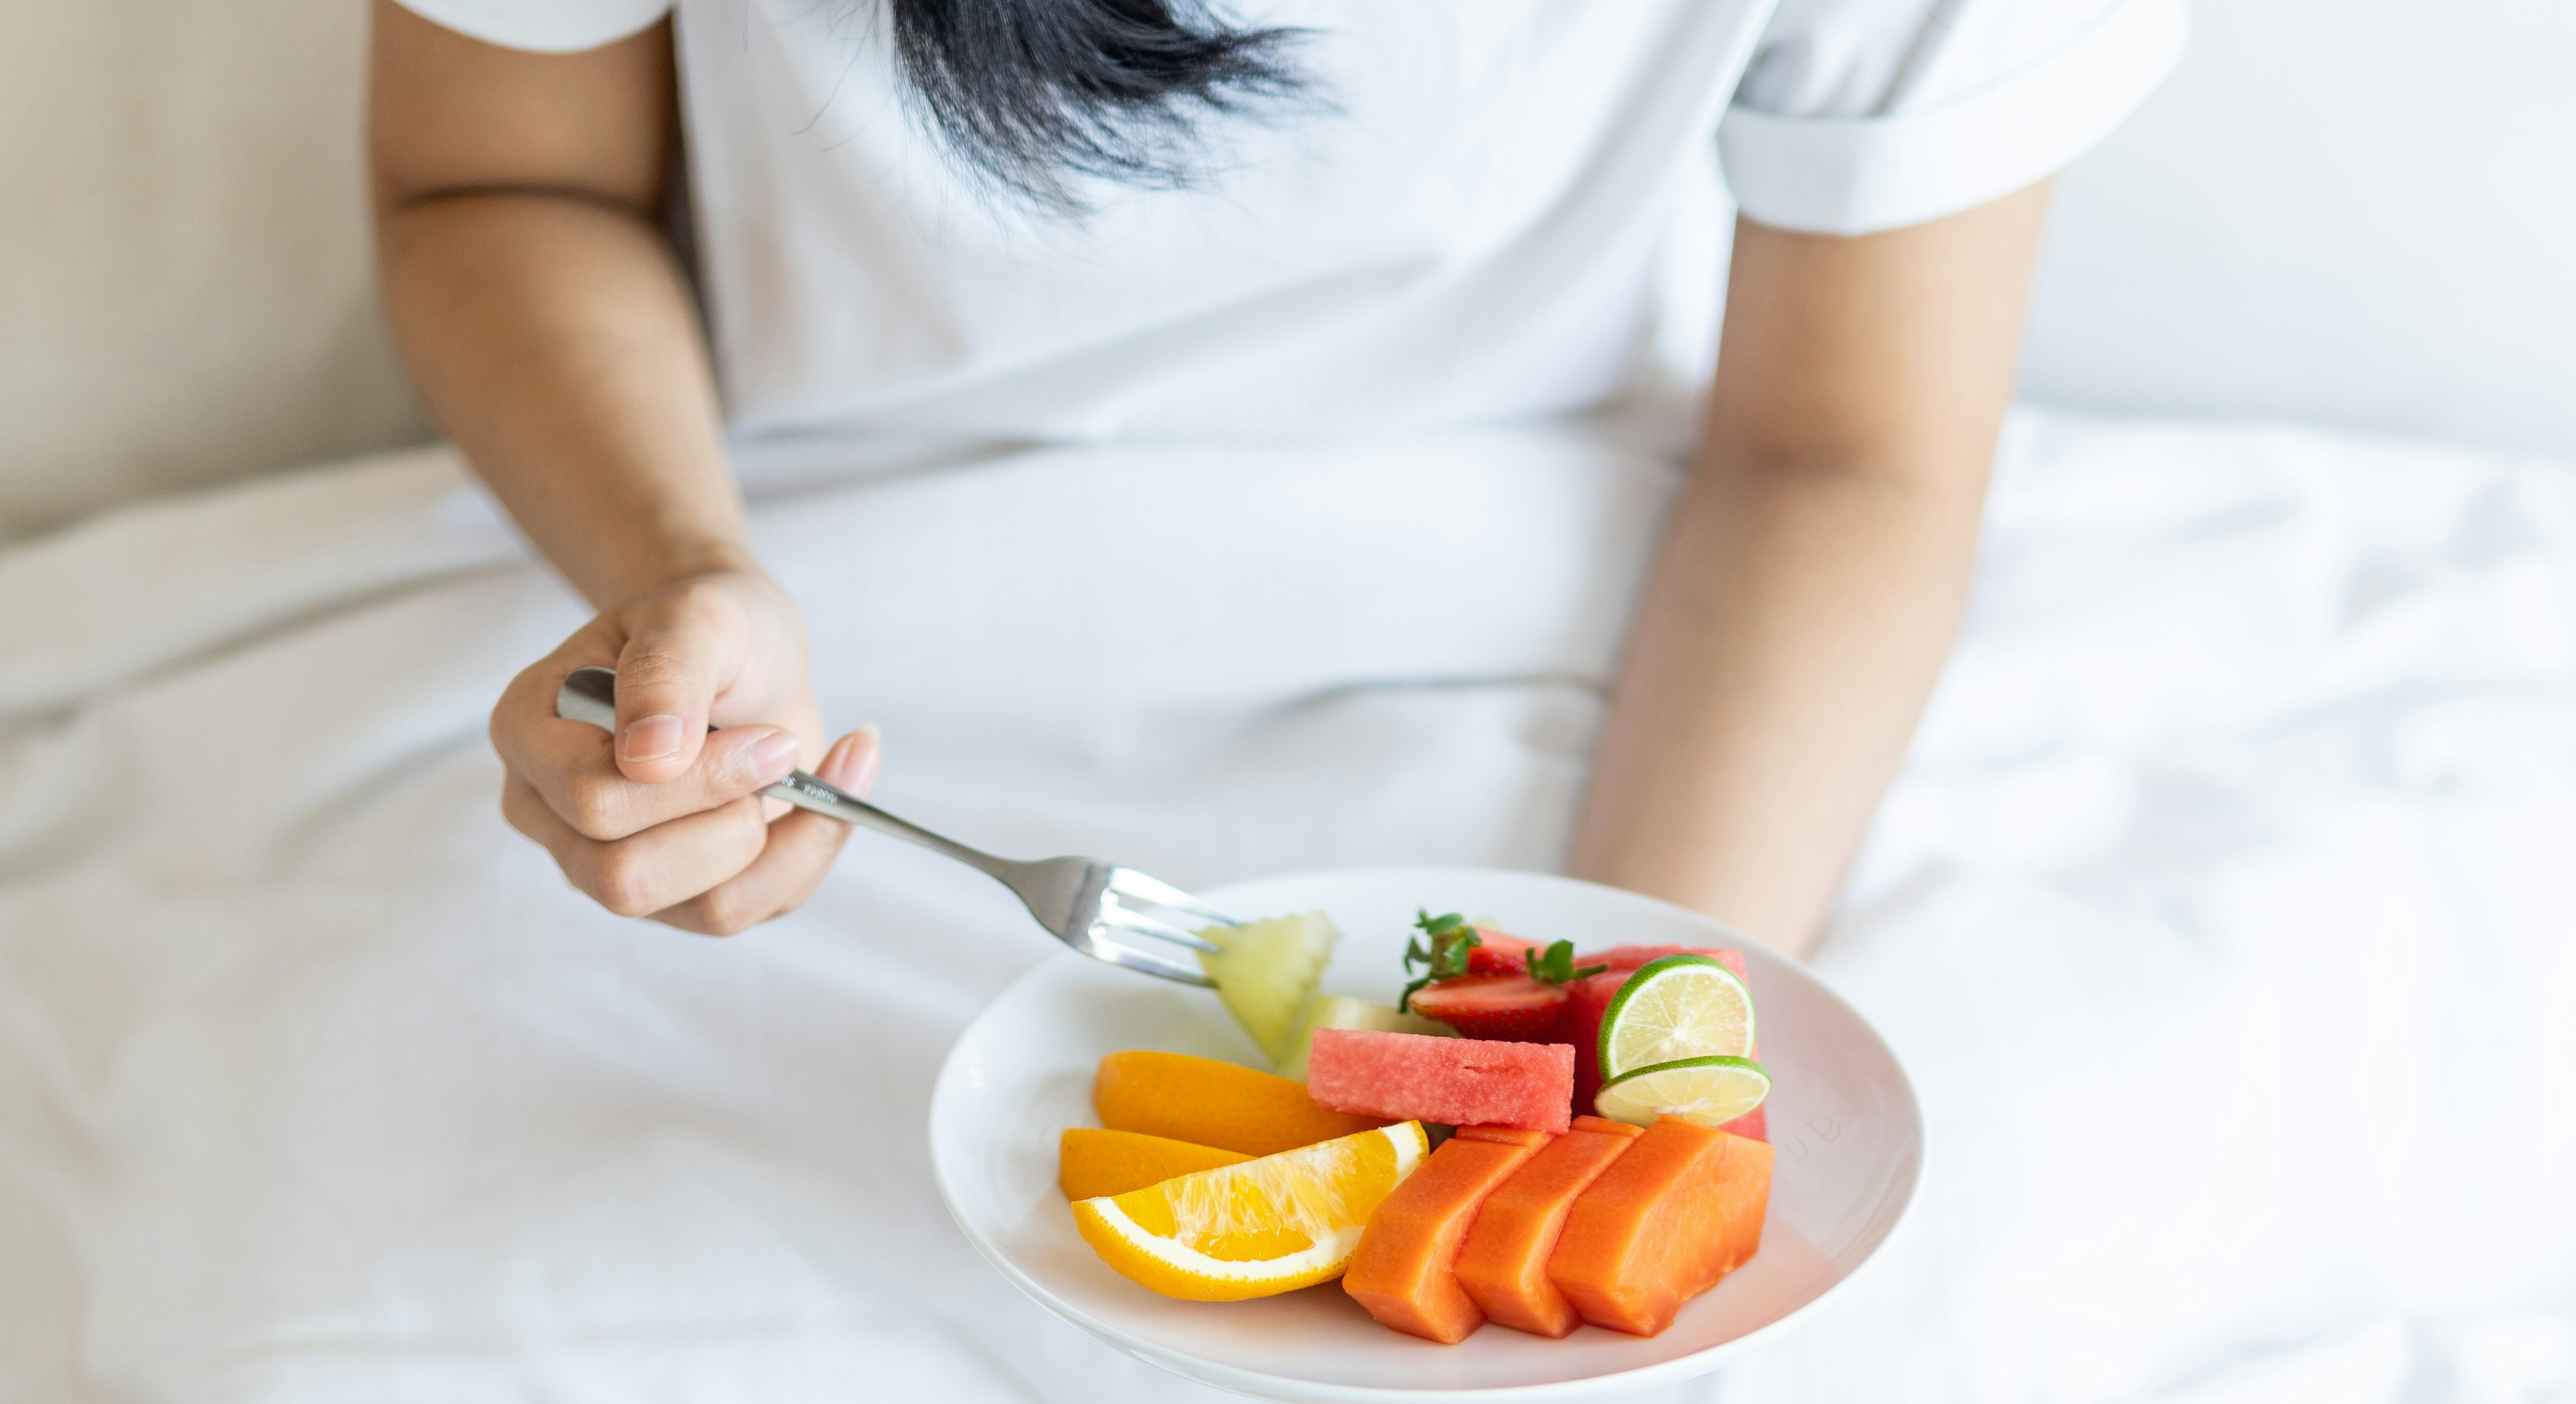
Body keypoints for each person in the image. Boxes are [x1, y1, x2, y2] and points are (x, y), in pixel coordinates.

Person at [371, 0, 2182, 955]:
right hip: (820, 577)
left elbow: (1844, 454)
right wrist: (681, 566)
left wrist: (1607, 1027)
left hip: (1605, 625)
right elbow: (501, 188)